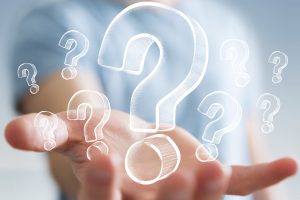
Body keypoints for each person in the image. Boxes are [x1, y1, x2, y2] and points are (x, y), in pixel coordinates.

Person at [5, 0, 298, 200]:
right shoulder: (59, 23)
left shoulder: (229, 26)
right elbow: (70, 139)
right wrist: (109, 178)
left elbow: (252, 150)